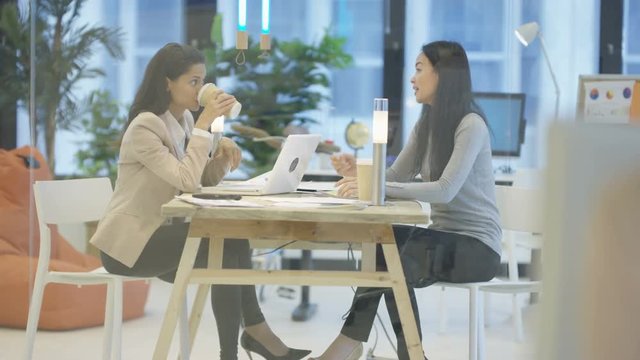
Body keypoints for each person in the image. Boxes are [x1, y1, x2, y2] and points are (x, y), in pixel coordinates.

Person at [90, 43, 310, 360]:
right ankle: (249, 338)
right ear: (168, 82)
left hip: (160, 235)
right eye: (193, 81)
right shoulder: (146, 125)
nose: (201, 89)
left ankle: (242, 343)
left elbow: (199, 180)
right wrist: (206, 126)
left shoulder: (184, 123)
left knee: (230, 241)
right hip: (129, 247)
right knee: (225, 243)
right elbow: (184, 180)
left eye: (202, 81)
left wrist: (220, 160)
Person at [314, 41, 502, 360]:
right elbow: (396, 175)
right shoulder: (427, 123)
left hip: (477, 248)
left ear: (442, 74)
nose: (412, 78)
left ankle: (356, 345)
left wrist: (377, 187)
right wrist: (361, 170)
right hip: (444, 238)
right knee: (383, 243)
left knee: (391, 257)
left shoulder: (471, 124)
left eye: (418, 69)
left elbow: (444, 190)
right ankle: (406, 354)